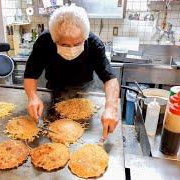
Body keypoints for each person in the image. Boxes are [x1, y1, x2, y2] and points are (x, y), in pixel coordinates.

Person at [23, 5, 120, 139]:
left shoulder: (93, 43)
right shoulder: (44, 41)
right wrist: (32, 97)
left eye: (77, 43)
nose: (72, 49)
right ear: (54, 39)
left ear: (84, 37)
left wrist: (111, 107)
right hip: (54, 89)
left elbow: (110, 78)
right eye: (64, 45)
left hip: (84, 91)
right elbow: (30, 74)